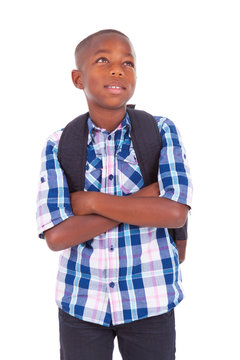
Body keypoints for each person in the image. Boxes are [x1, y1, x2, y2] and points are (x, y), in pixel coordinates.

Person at [36, 29, 193, 360]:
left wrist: (90, 203)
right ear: (78, 78)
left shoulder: (160, 130)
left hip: (150, 297)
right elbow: (57, 236)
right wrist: (145, 202)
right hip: (82, 302)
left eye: (128, 63)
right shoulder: (59, 143)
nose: (118, 69)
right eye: (103, 60)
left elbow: (175, 213)